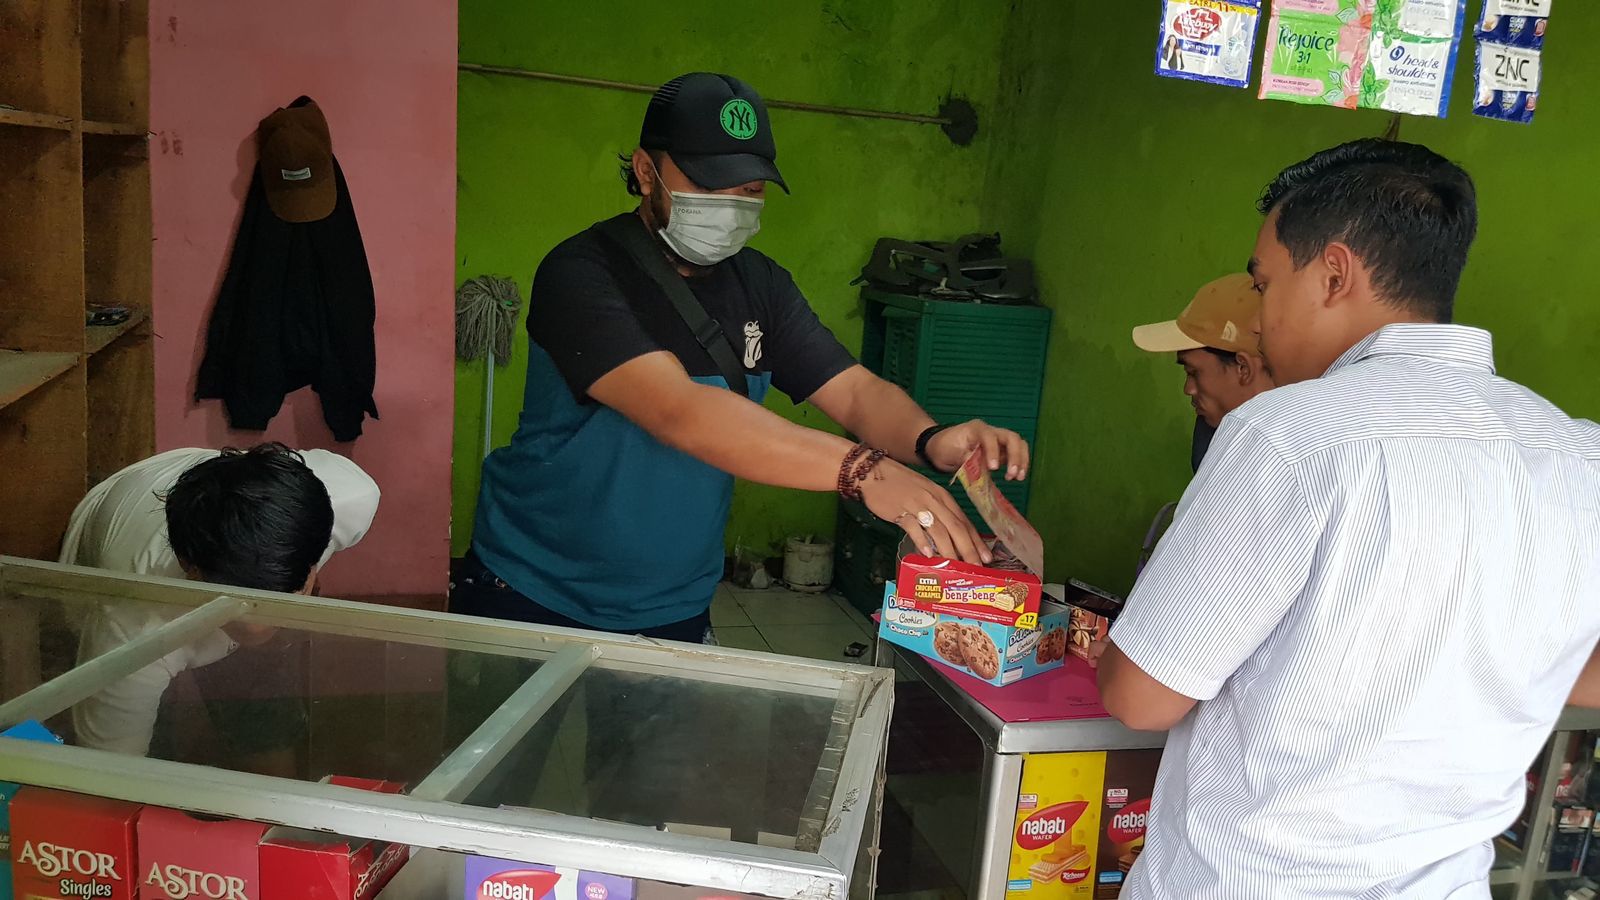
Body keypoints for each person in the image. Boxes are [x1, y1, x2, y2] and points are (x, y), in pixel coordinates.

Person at [1093, 139, 1600, 898]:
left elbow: (1141, 696)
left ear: (1334, 273)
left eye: (1264, 285)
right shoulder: (1578, 454)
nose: (1261, 318)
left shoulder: (1290, 435)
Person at [457, 72, 1027, 642]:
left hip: (672, 602)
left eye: (750, 190)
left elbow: (854, 391)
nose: (731, 207)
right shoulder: (581, 273)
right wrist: (863, 470)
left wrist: (931, 439)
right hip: (534, 589)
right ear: (646, 171)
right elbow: (678, 410)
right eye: (710, 184)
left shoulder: (762, 285)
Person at [63, 444, 379, 776]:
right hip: (116, 535)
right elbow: (111, 773)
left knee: (267, 729)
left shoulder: (349, 498)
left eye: (286, 593)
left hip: (214, 485)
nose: (258, 625)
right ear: (188, 565)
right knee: (155, 750)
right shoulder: (134, 624)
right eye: (236, 603)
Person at [1132, 273, 1274, 472]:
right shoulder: (1210, 432)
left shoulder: (1302, 450)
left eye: (1193, 372)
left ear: (1243, 368)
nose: (1188, 389)